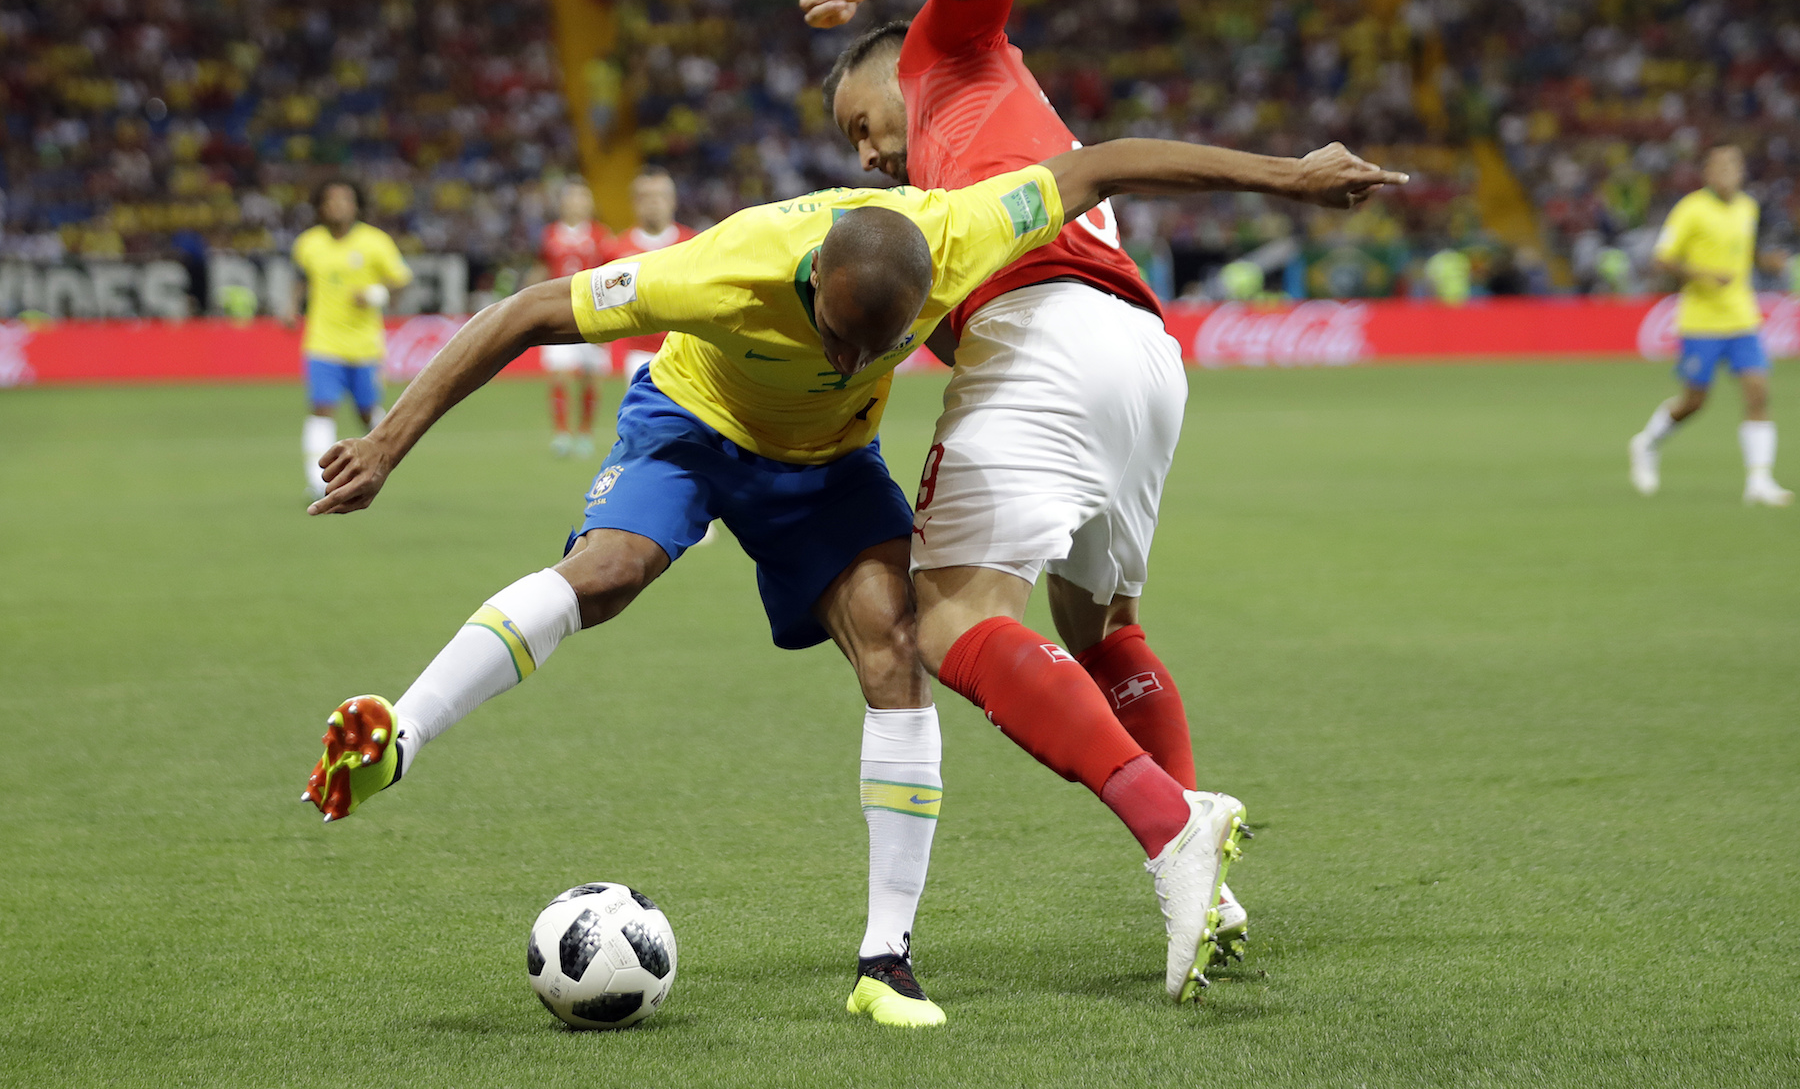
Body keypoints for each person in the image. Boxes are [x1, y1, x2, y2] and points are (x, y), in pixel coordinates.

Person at [297, 140, 1400, 1025]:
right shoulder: (719, 267)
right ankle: (402, 736)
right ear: (815, 278)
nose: (846, 360)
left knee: (898, 648)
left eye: (873, 349)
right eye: (834, 335)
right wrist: (387, 443)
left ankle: (885, 961)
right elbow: (527, 310)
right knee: (612, 569)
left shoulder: (960, 228)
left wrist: (1290, 178)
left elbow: (1103, 164)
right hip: (693, 428)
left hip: (827, 468)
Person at [802, 0, 1401, 997]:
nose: (870, 151)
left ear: (898, 70)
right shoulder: (951, 198)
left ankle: (1171, 826)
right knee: (1101, 627)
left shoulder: (945, 54)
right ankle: (1206, 880)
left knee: (952, 619)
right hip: (1139, 355)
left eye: (861, 122)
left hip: (1047, 335)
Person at [1629, 145, 1790, 506]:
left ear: (1742, 172)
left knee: (1758, 392)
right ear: (1708, 173)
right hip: (1701, 321)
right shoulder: (1691, 209)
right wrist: (1703, 274)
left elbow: (1742, 253)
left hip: (1742, 317)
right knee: (1694, 401)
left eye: (1733, 167)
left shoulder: (1748, 207)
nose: (1727, 174)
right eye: (1720, 168)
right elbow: (1662, 259)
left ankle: (1759, 480)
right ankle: (1647, 443)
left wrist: (1766, 261)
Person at [289, 179, 412, 499]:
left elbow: (401, 281)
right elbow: (301, 279)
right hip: (322, 342)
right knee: (321, 408)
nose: (338, 206)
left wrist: (375, 293)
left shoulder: (375, 242)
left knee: (367, 412)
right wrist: (291, 307)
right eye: (331, 200)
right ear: (320, 207)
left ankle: (385, 462)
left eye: (345, 199)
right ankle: (318, 482)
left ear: (356, 205)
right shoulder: (308, 243)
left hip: (364, 345)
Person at [533, 182, 614, 458]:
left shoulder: (600, 235)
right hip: (558, 314)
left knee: (591, 377)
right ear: (563, 203)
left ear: (589, 204)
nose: (577, 203)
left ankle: (585, 434)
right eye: (572, 198)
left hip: (593, 316)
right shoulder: (550, 235)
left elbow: (611, 274)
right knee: (559, 374)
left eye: (582, 198)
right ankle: (561, 434)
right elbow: (541, 269)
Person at [602, 166, 698, 382]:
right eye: (646, 197)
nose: (654, 203)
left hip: (687, 351)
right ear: (634, 202)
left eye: (660, 196)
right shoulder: (618, 250)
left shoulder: (693, 245)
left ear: (673, 200)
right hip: (640, 353)